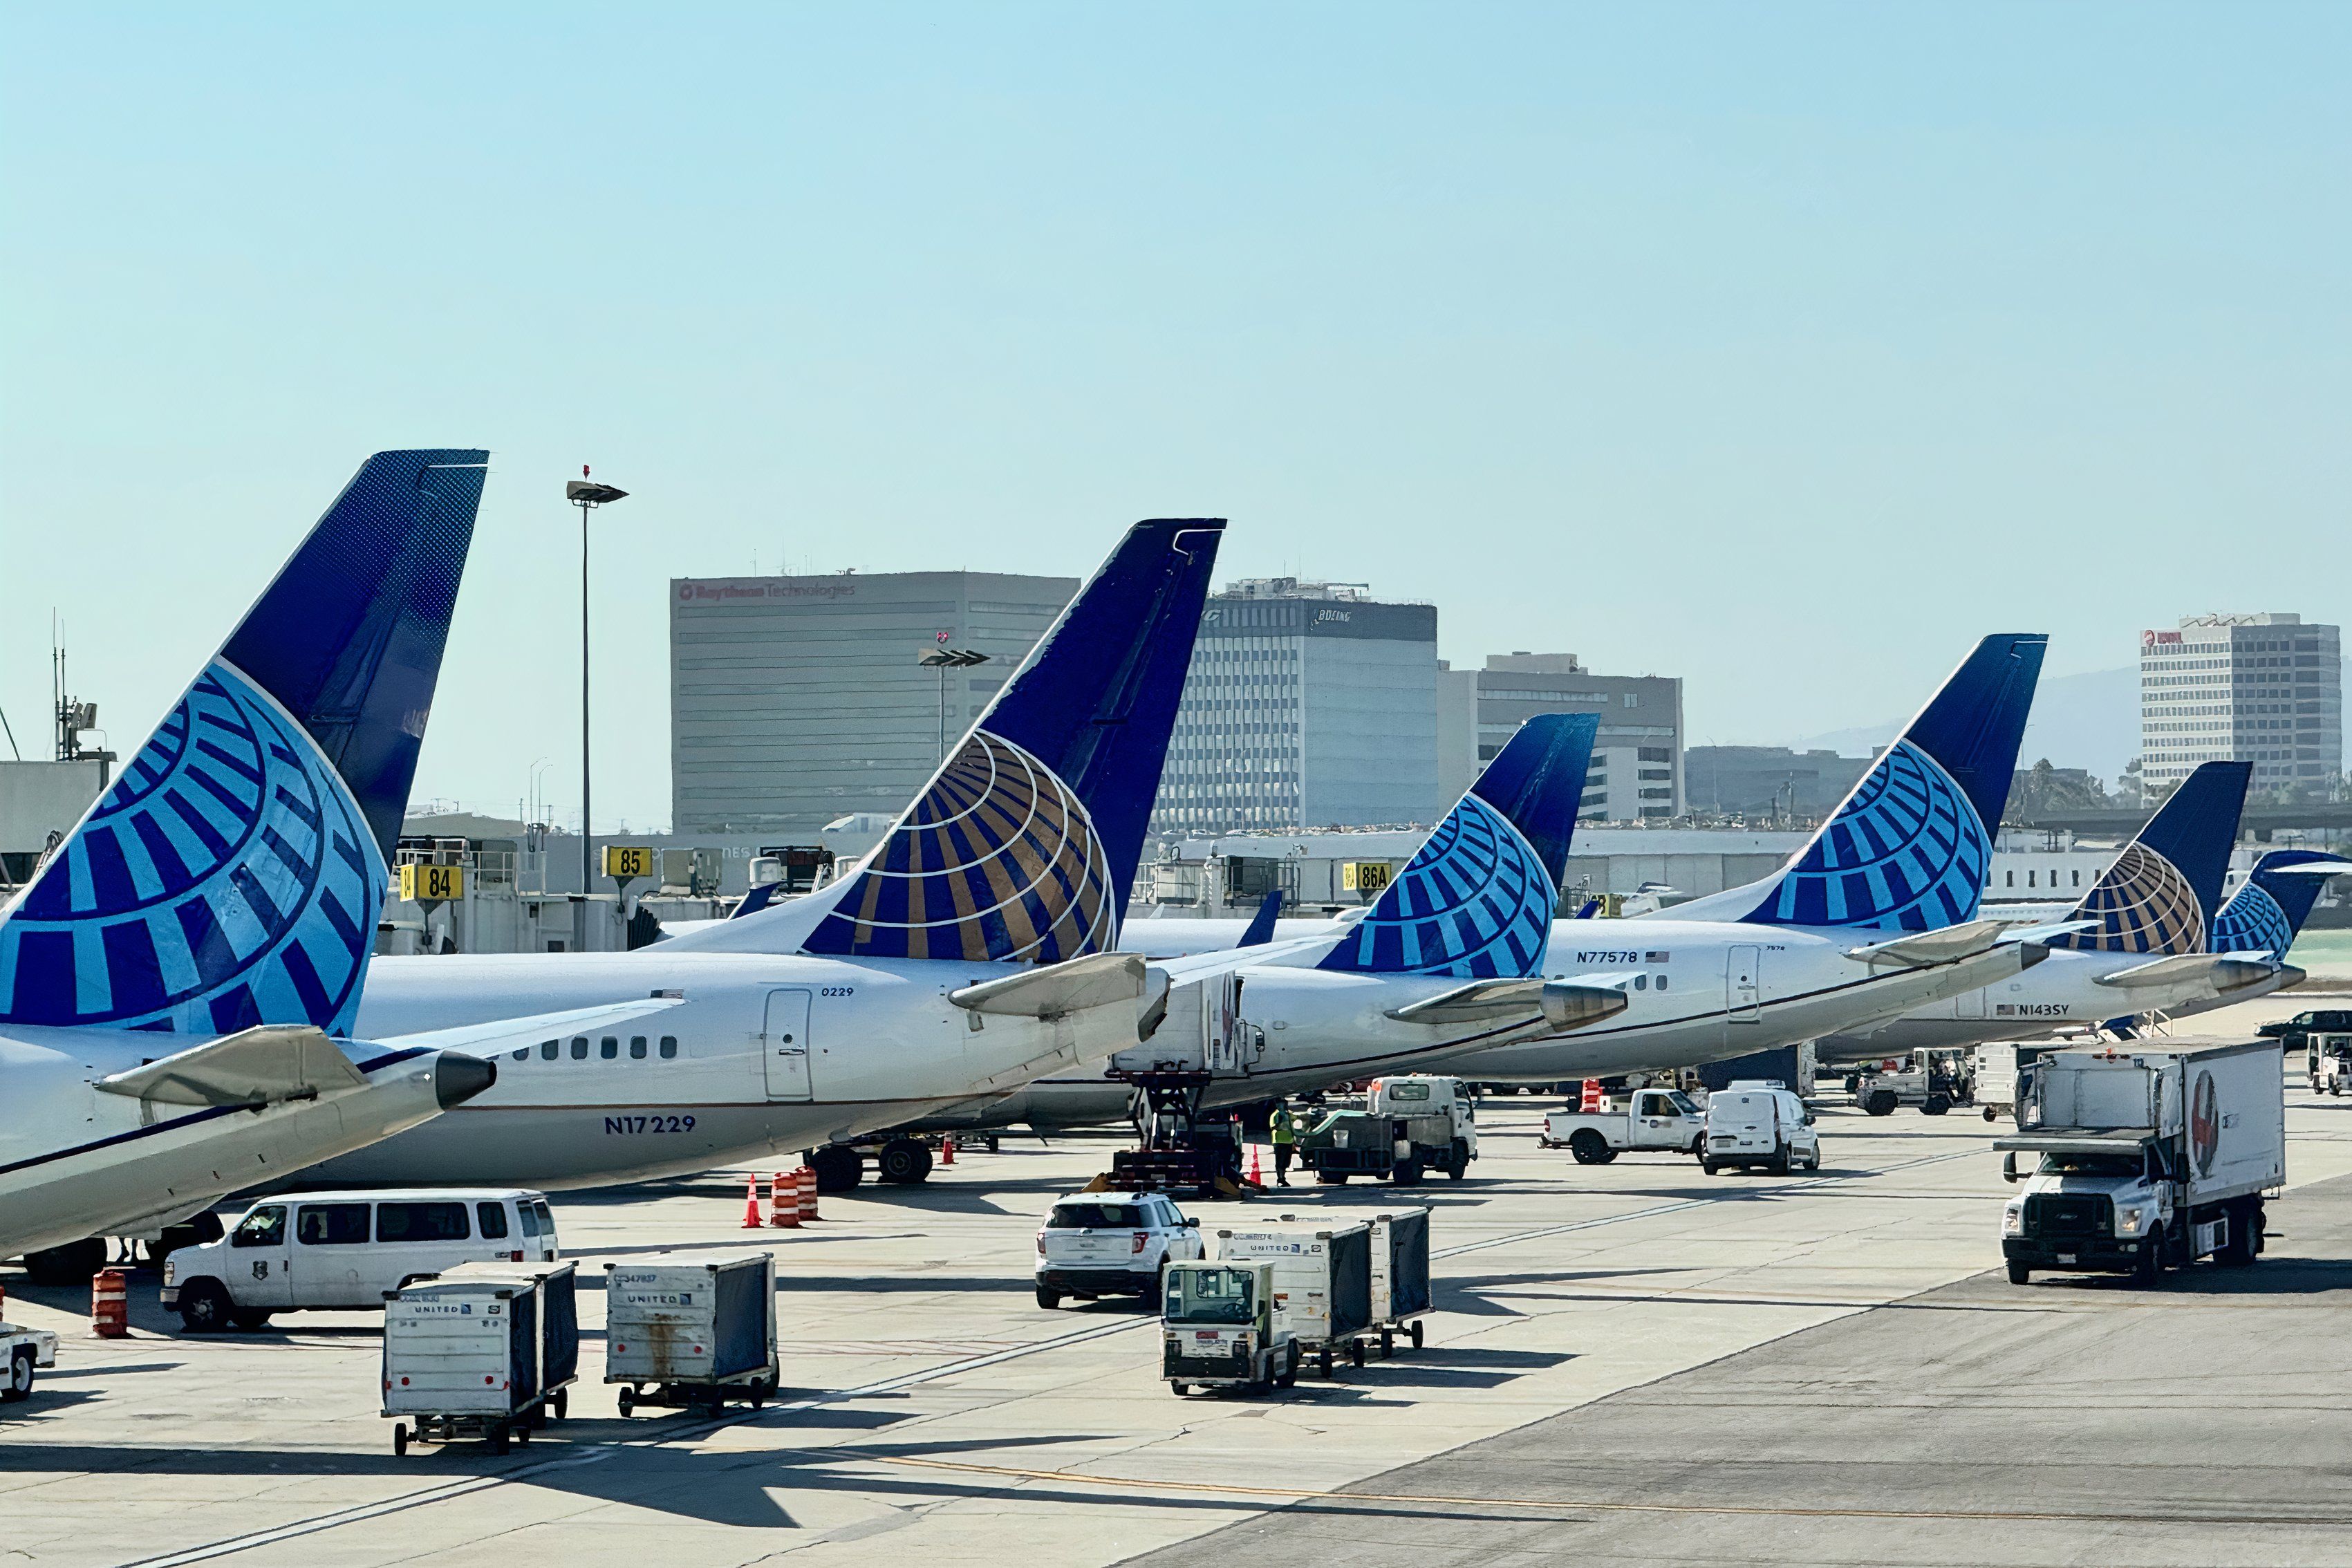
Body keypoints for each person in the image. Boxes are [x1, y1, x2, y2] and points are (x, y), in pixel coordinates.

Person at [1269, 1100, 1297, 1187]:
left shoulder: (1289, 1114)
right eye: (1281, 1104)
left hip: (1289, 1140)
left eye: (1285, 1104)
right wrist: (1280, 1122)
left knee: (1286, 1161)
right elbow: (1274, 1127)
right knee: (1280, 1161)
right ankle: (1281, 1179)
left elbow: (1296, 1122)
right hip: (1279, 1141)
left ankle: (1283, 1178)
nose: (1283, 1106)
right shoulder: (1276, 1115)